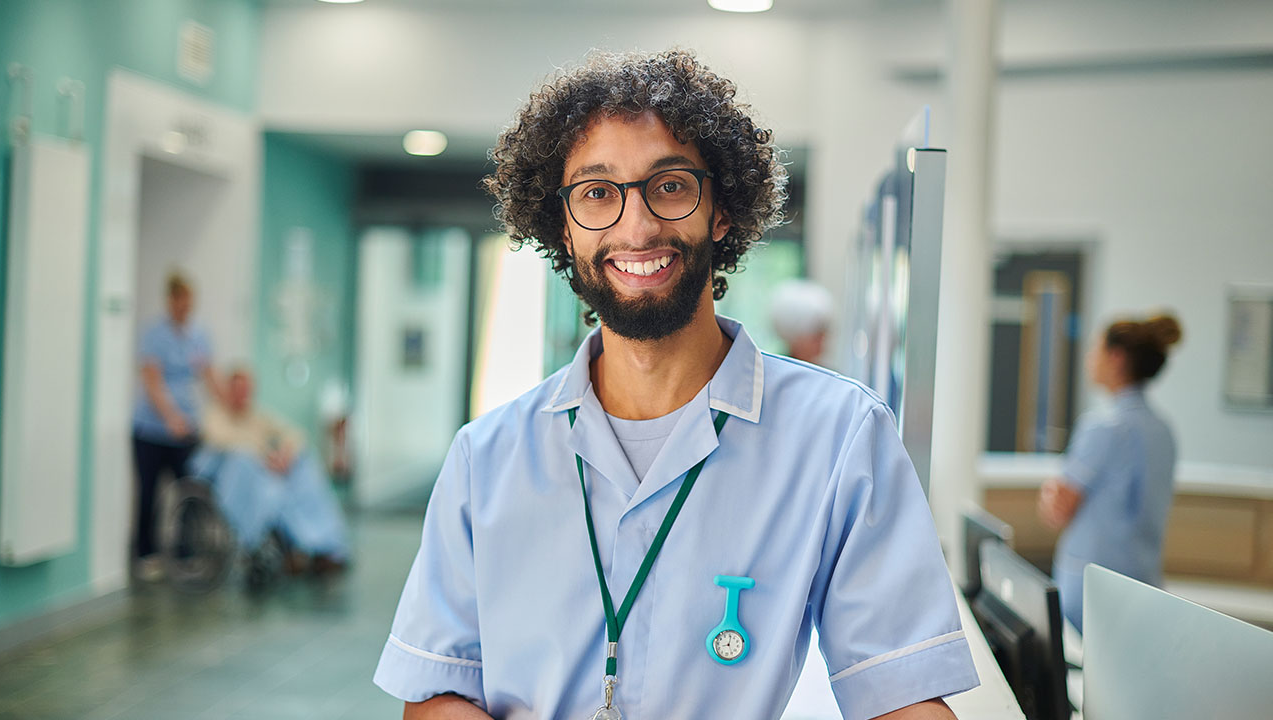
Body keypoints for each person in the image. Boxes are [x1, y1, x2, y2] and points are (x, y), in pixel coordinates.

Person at [375, 50, 978, 720]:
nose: (636, 228)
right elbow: (438, 693)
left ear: (720, 210)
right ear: (563, 228)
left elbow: (902, 697)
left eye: (669, 185)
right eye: (597, 193)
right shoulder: (485, 458)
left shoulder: (839, 438)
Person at [1037, 313, 1183, 633]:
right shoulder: (1164, 431)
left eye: (1095, 349)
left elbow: (1059, 510)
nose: (1090, 358)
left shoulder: (1103, 427)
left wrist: (1049, 490)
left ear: (1115, 357)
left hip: (1093, 591)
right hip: (1144, 586)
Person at [193, 368, 351, 572]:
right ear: (229, 390)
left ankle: (324, 544)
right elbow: (221, 441)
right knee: (271, 490)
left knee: (305, 469)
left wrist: (285, 454)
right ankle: (296, 544)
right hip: (236, 476)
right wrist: (264, 457)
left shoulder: (257, 415)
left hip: (268, 471)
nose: (243, 395)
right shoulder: (215, 415)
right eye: (238, 389)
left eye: (246, 390)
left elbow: (293, 433)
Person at [131, 272, 223, 581]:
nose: (184, 307)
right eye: (179, 301)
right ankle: (146, 554)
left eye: (189, 302)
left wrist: (231, 406)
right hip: (152, 431)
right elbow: (152, 380)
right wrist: (170, 417)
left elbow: (210, 377)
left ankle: (185, 552)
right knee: (149, 493)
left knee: (190, 490)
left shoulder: (198, 335)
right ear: (170, 301)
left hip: (186, 431)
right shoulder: (155, 335)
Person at [770, 278, 834, 366]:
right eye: (816, 331)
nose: (823, 337)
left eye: (825, 329)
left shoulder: (830, 377)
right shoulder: (773, 373)